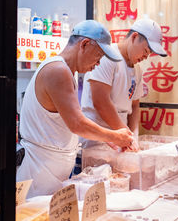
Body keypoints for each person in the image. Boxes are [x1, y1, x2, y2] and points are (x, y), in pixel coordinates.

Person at [17, 20, 136, 198]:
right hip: (38, 175)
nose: (98, 64)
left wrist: (107, 138)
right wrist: (114, 136)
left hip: (50, 172)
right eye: (98, 57)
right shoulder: (58, 70)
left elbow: (68, 124)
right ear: (85, 44)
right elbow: (77, 124)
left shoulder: (66, 71)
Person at [80, 18, 167, 148]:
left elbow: (135, 105)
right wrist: (127, 138)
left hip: (120, 138)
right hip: (97, 140)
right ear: (134, 37)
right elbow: (101, 102)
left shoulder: (137, 70)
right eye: (146, 51)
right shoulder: (107, 56)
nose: (145, 57)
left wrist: (133, 136)